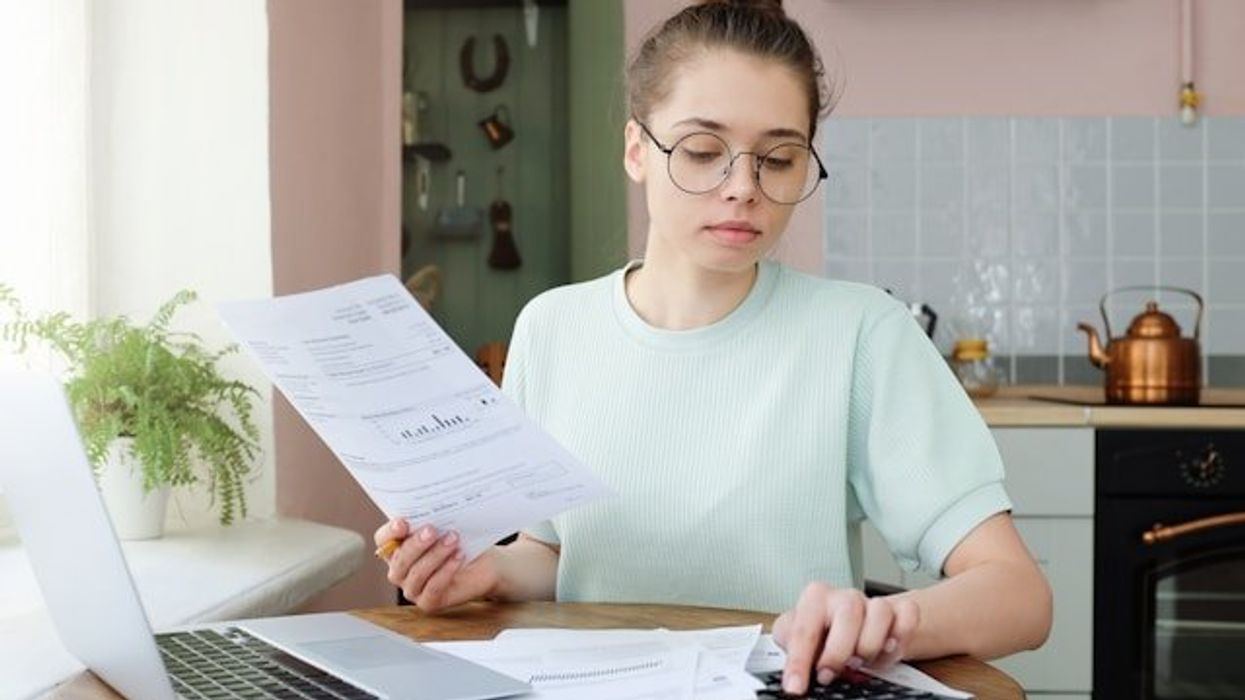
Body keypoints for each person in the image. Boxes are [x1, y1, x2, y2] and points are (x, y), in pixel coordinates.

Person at [375, 0, 1052, 694]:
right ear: (637, 149)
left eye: (779, 159)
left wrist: (883, 620)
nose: (742, 189)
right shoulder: (552, 327)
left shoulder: (860, 334)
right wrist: (484, 574)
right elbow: (555, 553)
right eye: (701, 151)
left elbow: (1018, 597)